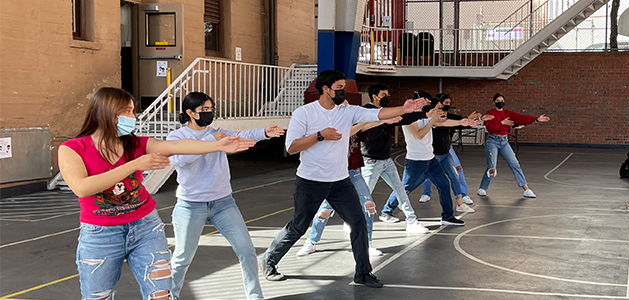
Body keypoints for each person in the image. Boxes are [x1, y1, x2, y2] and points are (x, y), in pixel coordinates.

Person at [58, 87, 255, 300]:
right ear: (107, 113)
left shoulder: (136, 143)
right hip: (101, 234)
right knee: (98, 296)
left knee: (161, 294)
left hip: (146, 227)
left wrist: (216, 145)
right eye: (127, 112)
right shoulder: (72, 148)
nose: (132, 117)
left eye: (133, 111)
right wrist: (134, 164)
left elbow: (176, 146)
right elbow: (82, 187)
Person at [260, 70, 427, 287]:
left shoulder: (347, 111)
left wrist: (404, 109)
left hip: (340, 181)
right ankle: (269, 260)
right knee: (299, 226)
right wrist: (320, 135)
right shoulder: (305, 113)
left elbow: (377, 115)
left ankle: (363, 273)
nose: (343, 92)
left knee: (358, 222)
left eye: (344, 88)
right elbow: (291, 147)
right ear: (325, 89)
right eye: (338, 88)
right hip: (310, 181)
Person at [166, 92, 283, 300]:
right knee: (182, 258)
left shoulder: (218, 132)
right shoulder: (178, 137)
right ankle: (169, 296)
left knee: (247, 250)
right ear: (190, 113)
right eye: (204, 110)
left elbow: (243, 136)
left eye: (211, 109)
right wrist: (213, 141)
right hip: (190, 205)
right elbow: (181, 160)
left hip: (223, 203)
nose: (209, 113)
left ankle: (255, 296)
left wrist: (264, 132)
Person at [296, 107, 405, 258]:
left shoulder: (356, 124)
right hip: (337, 176)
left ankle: (367, 244)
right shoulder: (335, 129)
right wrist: (380, 120)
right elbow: (349, 131)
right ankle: (312, 241)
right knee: (324, 212)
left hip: (354, 173)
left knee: (369, 207)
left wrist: (383, 120)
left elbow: (365, 126)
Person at [381, 91, 480, 226]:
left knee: (444, 184)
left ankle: (447, 216)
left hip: (431, 159)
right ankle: (386, 211)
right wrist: (431, 121)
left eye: (428, 103)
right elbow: (419, 134)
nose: (428, 105)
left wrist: (462, 122)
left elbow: (442, 123)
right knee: (405, 188)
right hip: (415, 161)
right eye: (426, 103)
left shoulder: (427, 115)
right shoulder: (408, 118)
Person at [359, 84, 429, 232]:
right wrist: (384, 122)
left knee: (400, 190)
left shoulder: (386, 111)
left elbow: (404, 118)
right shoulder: (367, 111)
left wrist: (425, 114)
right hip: (371, 161)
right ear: (374, 96)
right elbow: (368, 136)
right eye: (384, 94)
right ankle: (354, 221)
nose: (387, 97)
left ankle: (411, 220)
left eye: (387, 94)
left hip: (386, 160)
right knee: (365, 195)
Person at [418, 93, 487, 212]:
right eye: (442, 106)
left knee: (454, 176)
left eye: (446, 105)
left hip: (446, 153)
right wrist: (464, 121)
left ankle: (460, 203)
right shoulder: (432, 121)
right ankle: (402, 198)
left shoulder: (445, 117)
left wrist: (468, 121)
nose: (444, 109)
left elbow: (455, 121)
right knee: (420, 178)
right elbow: (445, 123)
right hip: (433, 154)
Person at [477, 93, 550, 198]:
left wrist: (535, 119)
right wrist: (502, 122)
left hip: (504, 141)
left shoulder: (508, 113)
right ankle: (483, 188)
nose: (500, 102)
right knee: (492, 167)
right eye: (498, 101)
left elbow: (521, 118)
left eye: (502, 100)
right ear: (494, 103)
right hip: (492, 141)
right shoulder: (490, 113)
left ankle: (526, 189)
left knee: (515, 163)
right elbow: (491, 128)